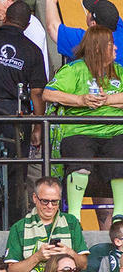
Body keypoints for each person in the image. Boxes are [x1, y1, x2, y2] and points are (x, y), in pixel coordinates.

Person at [44, 27, 123, 233]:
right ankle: (74, 217)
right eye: (110, 44)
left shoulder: (119, 70)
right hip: (80, 130)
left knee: (120, 152)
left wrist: (109, 100)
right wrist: (80, 100)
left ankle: (119, 215)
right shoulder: (74, 69)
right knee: (78, 153)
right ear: (97, 48)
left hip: (115, 131)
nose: (115, 47)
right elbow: (48, 94)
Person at [6, 177, 88, 272]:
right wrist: (37, 257)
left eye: (54, 202)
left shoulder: (71, 222)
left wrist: (68, 252)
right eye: (45, 201)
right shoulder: (19, 227)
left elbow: (83, 264)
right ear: (35, 198)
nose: (50, 206)